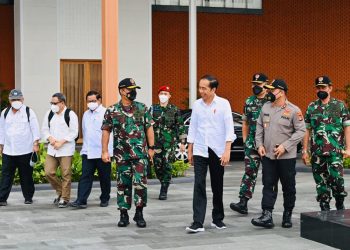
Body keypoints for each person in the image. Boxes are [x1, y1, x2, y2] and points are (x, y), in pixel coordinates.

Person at [252, 79, 305, 229]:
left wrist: (285, 146)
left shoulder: (294, 110)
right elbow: (259, 127)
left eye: (271, 90)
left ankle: (287, 213)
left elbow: (301, 131)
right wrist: (259, 145)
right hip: (268, 156)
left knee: (288, 187)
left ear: (281, 92)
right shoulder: (266, 107)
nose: (268, 92)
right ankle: (267, 215)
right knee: (268, 184)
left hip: (286, 157)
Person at [101, 78, 155, 228]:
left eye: (134, 89)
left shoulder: (142, 108)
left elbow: (149, 128)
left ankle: (139, 213)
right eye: (130, 89)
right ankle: (123, 214)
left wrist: (151, 148)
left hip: (140, 155)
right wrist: (104, 151)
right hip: (121, 155)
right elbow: (106, 131)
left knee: (140, 184)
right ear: (122, 90)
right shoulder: (112, 110)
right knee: (122, 185)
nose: (133, 92)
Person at [185, 75, 236, 233]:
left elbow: (229, 129)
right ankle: (198, 222)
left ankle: (217, 219)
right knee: (198, 184)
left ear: (213, 89)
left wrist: (227, 151)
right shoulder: (197, 105)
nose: (201, 91)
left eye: (204, 88)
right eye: (200, 88)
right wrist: (190, 149)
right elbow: (193, 127)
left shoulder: (223, 104)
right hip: (200, 149)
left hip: (217, 150)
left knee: (217, 185)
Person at [302, 76, 350, 211]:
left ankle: (340, 203)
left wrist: (348, 148)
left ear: (330, 88)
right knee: (321, 183)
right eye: (318, 88)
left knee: (338, 182)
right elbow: (306, 129)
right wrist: (305, 150)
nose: (320, 90)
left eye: (323, 87)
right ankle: (324, 206)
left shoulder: (340, 106)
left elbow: (347, 127)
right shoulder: (312, 107)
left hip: (335, 152)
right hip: (317, 153)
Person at [230, 73, 270, 214]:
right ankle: (243, 202)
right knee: (249, 172)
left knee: (269, 176)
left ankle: (267, 208)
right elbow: (245, 122)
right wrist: (246, 140)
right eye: (254, 84)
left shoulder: (271, 101)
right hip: (252, 144)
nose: (255, 87)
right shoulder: (249, 101)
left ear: (266, 85)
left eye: (258, 84)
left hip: (268, 145)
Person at [70, 91, 113, 209]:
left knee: (104, 177)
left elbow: (110, 133)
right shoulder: (85, 114)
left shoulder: (106, 113)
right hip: (88, 151)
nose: (91, 103)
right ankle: (81, 200)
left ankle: (105, 198)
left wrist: (108, 151)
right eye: (89, 101)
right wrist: (84, 149)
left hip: (102, 152)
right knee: (85, 176)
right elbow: (85, 131)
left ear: (99, 101)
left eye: (93, 101)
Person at [0, 89, 40, 206]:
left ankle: (28, 197)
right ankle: (2, 198)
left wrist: (36, 144)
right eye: (13, 99)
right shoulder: (5, 112)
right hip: (9, 150)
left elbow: (35, 128)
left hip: (25, 150)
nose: (16, 101)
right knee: (6, 175)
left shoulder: (28, 111)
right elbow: (1, 129)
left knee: (26, 175)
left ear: (22, 99)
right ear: (9, 100)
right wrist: (1, 145)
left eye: (18, 99)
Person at [41, 93, 79, 208]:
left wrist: (61, 142)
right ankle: (61, 191)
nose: (52, 105)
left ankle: (65, 198)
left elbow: (74, 132)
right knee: (48, 172)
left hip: (66, 149)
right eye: (51, 103)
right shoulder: (49, 114)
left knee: (66, 174)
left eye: (55, 103)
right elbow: (44, 129)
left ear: (62, 103)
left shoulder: (70, 114)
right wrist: (51, 139)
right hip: (52, 149)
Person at [149, 85, 186, 200]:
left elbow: (180, 126)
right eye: (161, 93)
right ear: (158, 95)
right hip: (156, 143)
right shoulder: (152, 109)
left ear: (170, 96)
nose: (163, 96)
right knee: (157, 166)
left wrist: (182, 143)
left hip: (169, 143)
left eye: (166, 94)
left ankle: (164, 188)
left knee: (167, 165)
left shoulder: (174, 110)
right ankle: (162, 181)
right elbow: (147, 126)